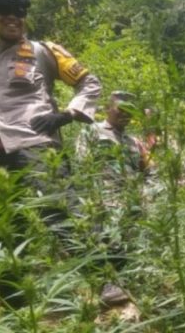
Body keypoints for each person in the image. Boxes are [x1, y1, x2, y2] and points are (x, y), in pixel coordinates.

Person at [0, 0, 101, 307]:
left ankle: (104, 279)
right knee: (3, 222)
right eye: (4, 12)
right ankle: (13, 298)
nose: (13, 18)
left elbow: (89, 82)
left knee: (60, 209)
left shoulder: (44, 51)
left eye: (19, 12)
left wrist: (68, 115)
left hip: (36, 142)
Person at [75, 91, 149, 306]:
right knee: (109, 239)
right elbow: (83, 164)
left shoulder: (133, 141)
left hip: (133, 199)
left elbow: (144, 169)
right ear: (108, 109)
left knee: (133, 241)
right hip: (105, 197)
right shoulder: (92, 132)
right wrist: (93, 196)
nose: (125, 116)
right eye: (120, 110)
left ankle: (129, 281)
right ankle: (108, 286)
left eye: (130, 112)